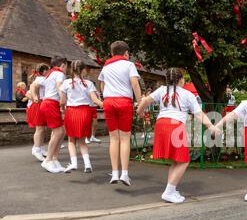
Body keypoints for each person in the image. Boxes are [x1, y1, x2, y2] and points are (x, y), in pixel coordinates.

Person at [137, 68, 217, 204]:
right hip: (175, 126)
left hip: (161, 124)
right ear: (181, 79)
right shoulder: (187, 94)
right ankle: (168, 191)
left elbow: (144, 101)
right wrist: (211, 126)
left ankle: (172, 190)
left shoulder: (161, 90)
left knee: (176, 160)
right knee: (184, 160)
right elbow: (199, 115)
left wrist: (139, 112)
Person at [98, 41, 142, 186]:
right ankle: (124, 174)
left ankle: (114, 173)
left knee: (113, 138)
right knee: (124, 138)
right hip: (124, 102)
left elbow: (102, 85)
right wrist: (140, 103)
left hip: (109, 101)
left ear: (111, 53)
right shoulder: (129, 65)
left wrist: (106, 97)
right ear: (126, 53)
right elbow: (135, 84)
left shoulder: (106, 66)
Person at [61, 60, 103, 173]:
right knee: (82, 141)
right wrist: (106, 106)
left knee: (71, 140)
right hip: (85, 112)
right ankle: (87, 165)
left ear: (71, 70)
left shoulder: (66, 83)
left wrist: (62, 109)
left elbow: (62, 101)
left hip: (71, 112)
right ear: (83, 70)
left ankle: (74, 163)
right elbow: (95, 100)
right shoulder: (89, 83)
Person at [39, 56, 68, 173]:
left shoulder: (50, 74)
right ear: (63, 65)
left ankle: (54, 160)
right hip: (51, 103)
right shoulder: (59, 74)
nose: (67, 69)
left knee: (61, 131)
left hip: (48, 103)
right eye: (66, 66)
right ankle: (48, 160)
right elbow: (59, 88)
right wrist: (63, 103)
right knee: (58, 132)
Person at [27, 63, 50, 161]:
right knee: (40, 129)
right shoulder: (41, 79)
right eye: (48, 70)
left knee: (43, 129)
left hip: (41, 104)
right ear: (44, 71)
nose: (49, 72)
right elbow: (32, 87)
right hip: (39, 105)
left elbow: (29, 92)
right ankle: (36, 149)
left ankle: (40, 148)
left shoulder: (41, 79)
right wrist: (35, 98)